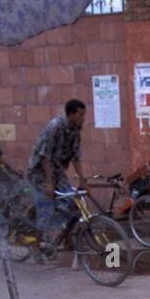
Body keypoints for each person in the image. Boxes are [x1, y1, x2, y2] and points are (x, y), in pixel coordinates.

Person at [28, 99, 87, 235]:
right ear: (71, 114)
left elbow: (76, 157)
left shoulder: (76, 131)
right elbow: (44, 156)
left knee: (74, 204)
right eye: (80, 114)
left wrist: (83, 180)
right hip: (41, 172)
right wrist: (49, 183)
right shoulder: (54, 126)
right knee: (46, 210)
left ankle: (65, 237)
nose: (83, 118)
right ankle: (36, 246)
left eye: (84, 115)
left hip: (57, 171)